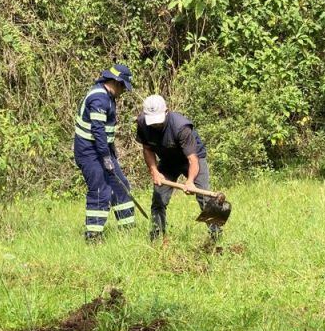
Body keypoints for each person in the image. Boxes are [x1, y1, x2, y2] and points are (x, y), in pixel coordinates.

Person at [135, 95, 220, 242]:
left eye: (158, 121)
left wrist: (190, 181)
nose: (155, 125)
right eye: (152, 121)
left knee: (205, 199)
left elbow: (192, 159)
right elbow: (147, 149)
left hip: (192, 159)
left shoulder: (181, 127)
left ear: (167, 111)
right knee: (158, 199)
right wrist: (154, 171)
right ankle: (156, 238)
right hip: (168, 161)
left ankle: (216, 236)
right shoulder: (143, 124)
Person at [73, 63, 137, 241]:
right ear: (116, 83)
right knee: (100, 190)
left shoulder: (109, 96)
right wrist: (106, 157)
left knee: (121, 186)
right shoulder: (99, 99)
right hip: (89, 152)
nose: (124, 91)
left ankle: (128, 231)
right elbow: (98, 131)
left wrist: (111, 153)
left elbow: (106, 134)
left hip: (103, 150)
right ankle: (94, 235)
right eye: (123, 87)